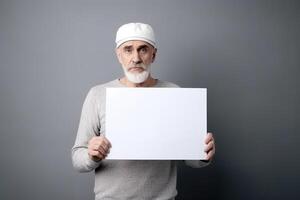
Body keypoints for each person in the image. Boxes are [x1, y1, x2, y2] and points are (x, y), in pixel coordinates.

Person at [72, 22, 216, 200]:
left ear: (153, 55)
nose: (136, 58)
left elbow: (191, 158)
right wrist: (91, 155)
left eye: (143, 49)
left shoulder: (174, 93)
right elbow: (77, 159)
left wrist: (203, 153)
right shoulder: (98, 95)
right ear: (119, 55)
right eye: (128, 50)